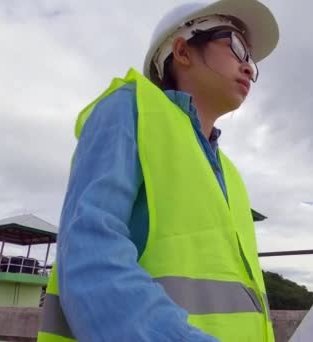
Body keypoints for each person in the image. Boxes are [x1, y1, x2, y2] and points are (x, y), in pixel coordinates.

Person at [37, 0, 279, 341]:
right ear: (182, 50)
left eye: (251, 60)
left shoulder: (231, 175)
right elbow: (90, 253)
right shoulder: (131, 108)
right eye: (236, 47)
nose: (249, 68)